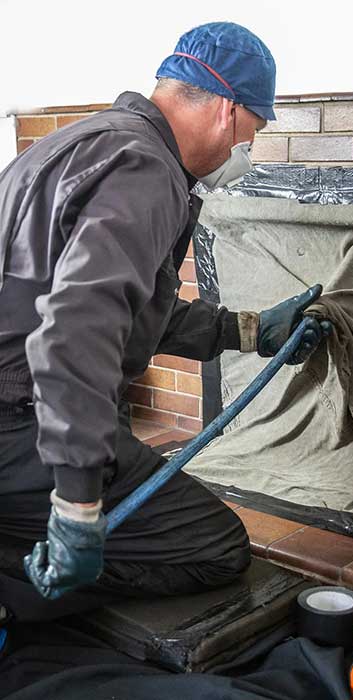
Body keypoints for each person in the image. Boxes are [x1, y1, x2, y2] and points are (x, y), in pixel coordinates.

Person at [0, 21, 331, 633]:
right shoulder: (147, 170)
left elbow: (119, 304)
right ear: (230, 112)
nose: (245, 153)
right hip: (19, 423)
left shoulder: (82, 142)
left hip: (18, 408)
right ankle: (21, 589)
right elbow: (78, 329)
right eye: (254, 133)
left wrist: (250, 330)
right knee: (215, 548)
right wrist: (76, 507)